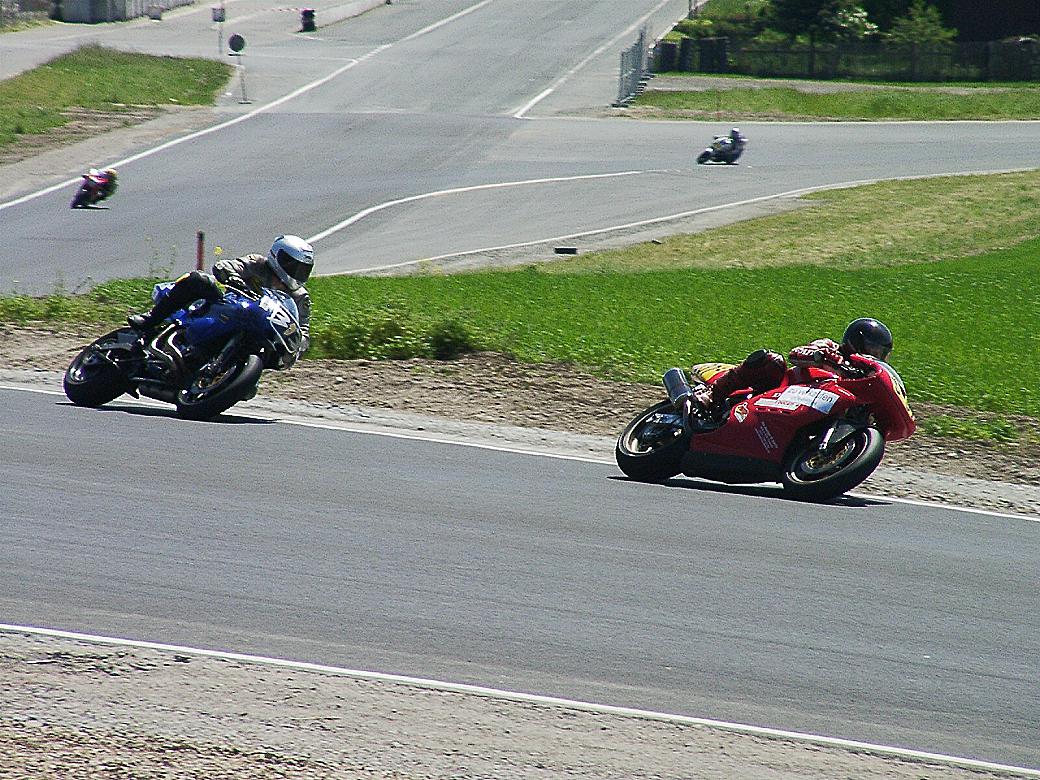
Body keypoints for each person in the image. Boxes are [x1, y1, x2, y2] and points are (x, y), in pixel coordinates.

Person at [128, 234, 314, 350]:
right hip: (227, 307)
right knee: (199, 280)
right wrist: (233, 278)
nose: (297, 272)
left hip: (256, 329)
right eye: (293, 265)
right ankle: (151, 318)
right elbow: (225, 266)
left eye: (303, 269)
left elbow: (302, 330)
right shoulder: (258, 264)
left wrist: (299, 341)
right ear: (278, 256)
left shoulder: (300, 297)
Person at [693, 318, 893, 420]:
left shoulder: (863, 377)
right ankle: (713, 394)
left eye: (880, 354)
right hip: (778, 394)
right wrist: (826, 359)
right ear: (856, 341)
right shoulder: (830, 348)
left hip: (810, 413)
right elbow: (796, 354)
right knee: (773, 361)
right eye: (872, 350)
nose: (874, 357)